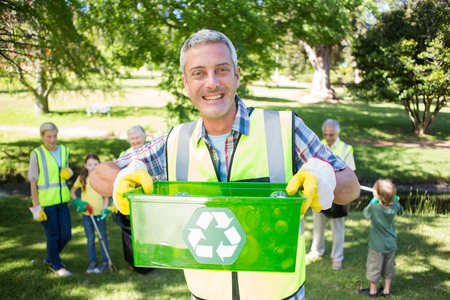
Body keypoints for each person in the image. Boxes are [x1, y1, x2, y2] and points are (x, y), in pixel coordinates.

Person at [90, 29, 360, 300]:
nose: (211, 83)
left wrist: (321, 176)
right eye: (198, 73)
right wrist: (123, 178)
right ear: (185, 84)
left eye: (221, 70)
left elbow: (351, 186)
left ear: (237, 75)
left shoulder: (284, 127)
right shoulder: (174, 142)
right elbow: (99, 175)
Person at [306, 119, 356, 270]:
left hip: (338, 194)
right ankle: (317, 250)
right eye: (326, 134)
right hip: (319, 193)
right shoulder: (318, 145)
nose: (328, 138)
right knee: (318, 222)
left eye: (331, 135)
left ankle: (337, 258)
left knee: (337, 226)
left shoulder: (346, 149)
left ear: (338, 133)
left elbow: (351, 174)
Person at [28, 122, 73, 277]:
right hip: (46, 202)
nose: (53, 140)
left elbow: (65, 170)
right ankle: (57, 265)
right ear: (42, 136)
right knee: (53, 235)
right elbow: (33, 181)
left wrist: (69, 172)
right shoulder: (37, 154)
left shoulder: (64, 151)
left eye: (55, 136)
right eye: (49, 136)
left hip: (62, 200)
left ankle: (50, 257)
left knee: (66, 234)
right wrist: (36, 205)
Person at [359, 179, 403, 298]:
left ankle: (373, 291)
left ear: (379, 195)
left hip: (377, 246)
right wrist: (395, 201)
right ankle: (386, 291)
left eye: (374, 189)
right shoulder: (395, 206)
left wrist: (371, 202)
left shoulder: (374, 208)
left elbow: (366, 213)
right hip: (390, 244)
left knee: (374, 266)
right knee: (388, 267)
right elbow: (401, 211)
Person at [70, 153, 111, 274]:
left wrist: (105, 209)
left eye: (95, 164)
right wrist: (77, 202)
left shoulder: (101, 178)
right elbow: (72, 192)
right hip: (87, 215)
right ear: (85, 165)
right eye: (90, 164)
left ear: (99, 164)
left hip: (99, 215)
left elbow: (106, 196)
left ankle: (105, 262)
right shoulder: (82, 178)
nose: (93, 167)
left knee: (102, 237)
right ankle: (93, 261)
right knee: (90, 238)